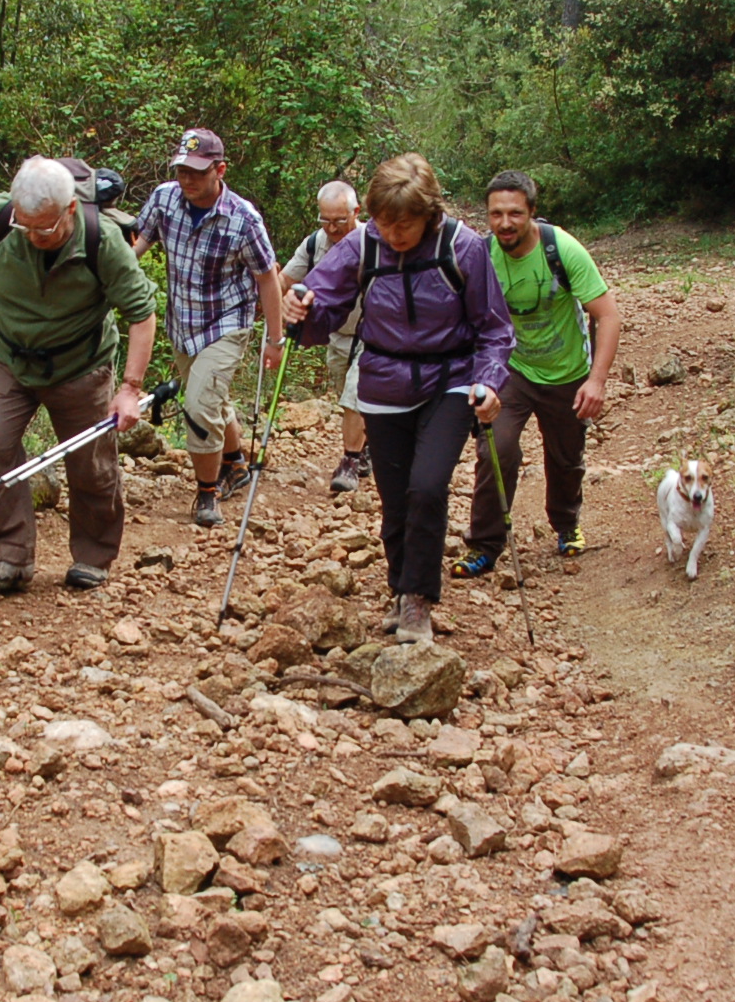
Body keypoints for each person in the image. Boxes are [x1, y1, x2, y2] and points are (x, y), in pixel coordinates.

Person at [282, 153, 513, 644]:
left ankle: (417, 600)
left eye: (404, 225)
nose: (393, 234)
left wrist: (490, 381)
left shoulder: (463, 247)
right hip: (383, 381)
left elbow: (494, 328)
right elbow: (322, 302)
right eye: (384, 223)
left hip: (451, 379)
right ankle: (400, 588)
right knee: (395, 498)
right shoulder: (364, 242)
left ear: (429, 214)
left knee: (427, 487)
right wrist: (300, 306)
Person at [0, 156, 157, 594]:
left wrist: (129, 388)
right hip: (8, 358)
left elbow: (142, 313)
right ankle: (6, 556)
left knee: (90, 465)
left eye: (44, 229)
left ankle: (93, 556)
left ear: (71, 210)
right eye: (24, 226)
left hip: (80, 365)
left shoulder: (101, 240)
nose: (33, 236)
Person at [451, 171, 621, 575]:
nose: (505, 223)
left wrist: (596, 380)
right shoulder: (481, 254)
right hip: (510, 370)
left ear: (532, 212)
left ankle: (566, 523)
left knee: (565, 458)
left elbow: (608, 315)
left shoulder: (563, 250)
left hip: (567, 371)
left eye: (515, 213)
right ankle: (485, 545)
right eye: (496, 214)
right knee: (497, 449)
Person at [133, 127, 284, 528]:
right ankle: (235, 463)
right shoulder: (164, 199)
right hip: (183, 322)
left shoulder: (243, 218)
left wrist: (275, 339)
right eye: (182, 170)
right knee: (212, 399)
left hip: (227, 323)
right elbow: (136, 247)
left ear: (220, 170)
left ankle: (207, 491)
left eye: (197, 172)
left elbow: (267, 277)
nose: (187, 179)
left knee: (199, 406)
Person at [281, 181, 370, 494]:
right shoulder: (314, 244)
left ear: (356, 212)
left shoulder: (373, 240)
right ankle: (367, 446)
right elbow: (285, 280)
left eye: (339, 220)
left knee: (355, 394)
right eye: (325, 220)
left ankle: (349, 462)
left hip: (373, 334)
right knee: (348, 394)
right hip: (338, 335)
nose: (332, 228)